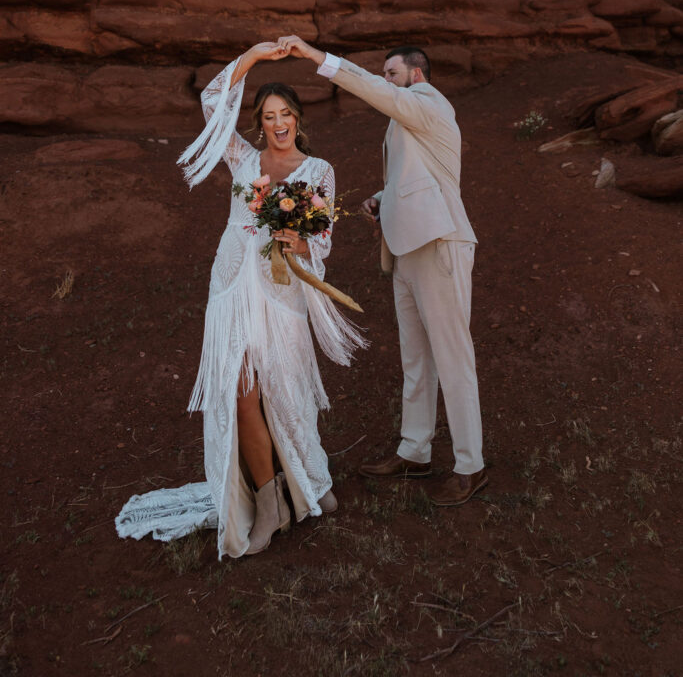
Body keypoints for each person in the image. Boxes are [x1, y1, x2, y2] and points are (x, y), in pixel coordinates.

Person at [116, 42, 364, 558]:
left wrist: (296, 240)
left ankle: (310, 482)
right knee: (240, 392)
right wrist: (252, 57)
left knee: (285, 392)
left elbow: (320, 241)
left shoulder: (318, 170)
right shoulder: (243, 158)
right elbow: (212, 101)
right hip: (231, 282)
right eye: (269, 116)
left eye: (286, 115)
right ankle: (269, 505)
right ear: (258, 122)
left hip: (280, 293)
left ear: (297, 118)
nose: (278, 124)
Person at [277, 36, 486, 506]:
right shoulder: (407, 123)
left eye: (391, 73)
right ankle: (415, 451)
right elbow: (416, 181)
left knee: (453, 358)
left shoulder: (429, 103)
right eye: (385, 74)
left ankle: (470, 466)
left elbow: (380, 93)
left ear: (415, 74)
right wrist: (382, 199)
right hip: (408, 250)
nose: (386, 80)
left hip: (439, 246)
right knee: (417, 357)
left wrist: (319, 59)